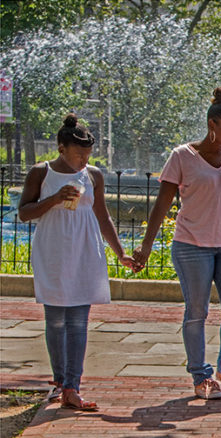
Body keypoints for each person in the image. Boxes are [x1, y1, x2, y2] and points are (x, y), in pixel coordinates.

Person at [133, 87, 221, 401]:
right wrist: (145, 246)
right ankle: (201, 376)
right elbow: (162, 204)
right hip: (191, 244)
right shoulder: (182, 156)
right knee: (196, 312)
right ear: (212, 126)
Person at [17, 114, 136, 411]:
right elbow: (25, 212)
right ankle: (60, 381)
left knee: (78, 322)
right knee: (56, 321)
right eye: (78, 154)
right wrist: (55, 198)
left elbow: (102, 216)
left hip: (85, 250)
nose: (84, 160)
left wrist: (120, 252)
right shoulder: (41, 173)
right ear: (61, 149)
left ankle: (73, 386)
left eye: (87, 155)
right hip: (54, 250)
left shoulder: (93, 175)